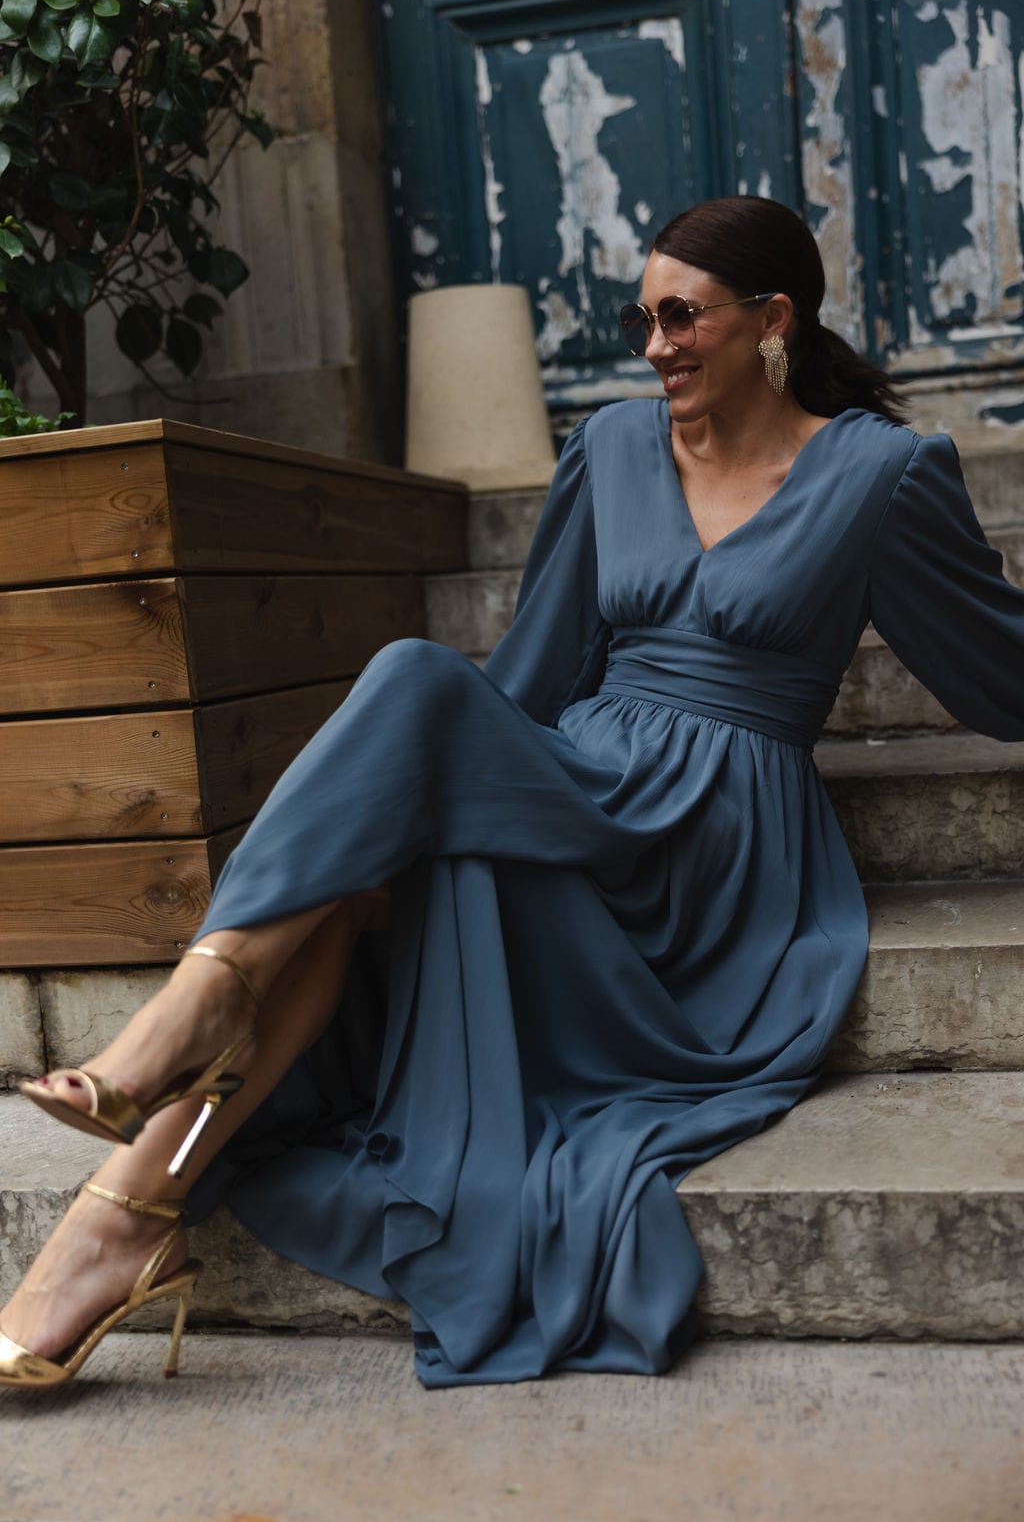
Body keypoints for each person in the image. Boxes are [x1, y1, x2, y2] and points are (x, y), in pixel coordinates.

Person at [3, 196, 1023, 1391]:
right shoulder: (611, 449)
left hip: (716, 851)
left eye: (681, 318)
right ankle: (120, 1215)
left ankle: (171, 1067)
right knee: (383, 793)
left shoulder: (880, 474)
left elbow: (996, 669)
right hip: (580, 790)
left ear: (772, 320)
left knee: (404, 708)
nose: (653, 346)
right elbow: (531, 677)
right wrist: (399, 823)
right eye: (641, 320)